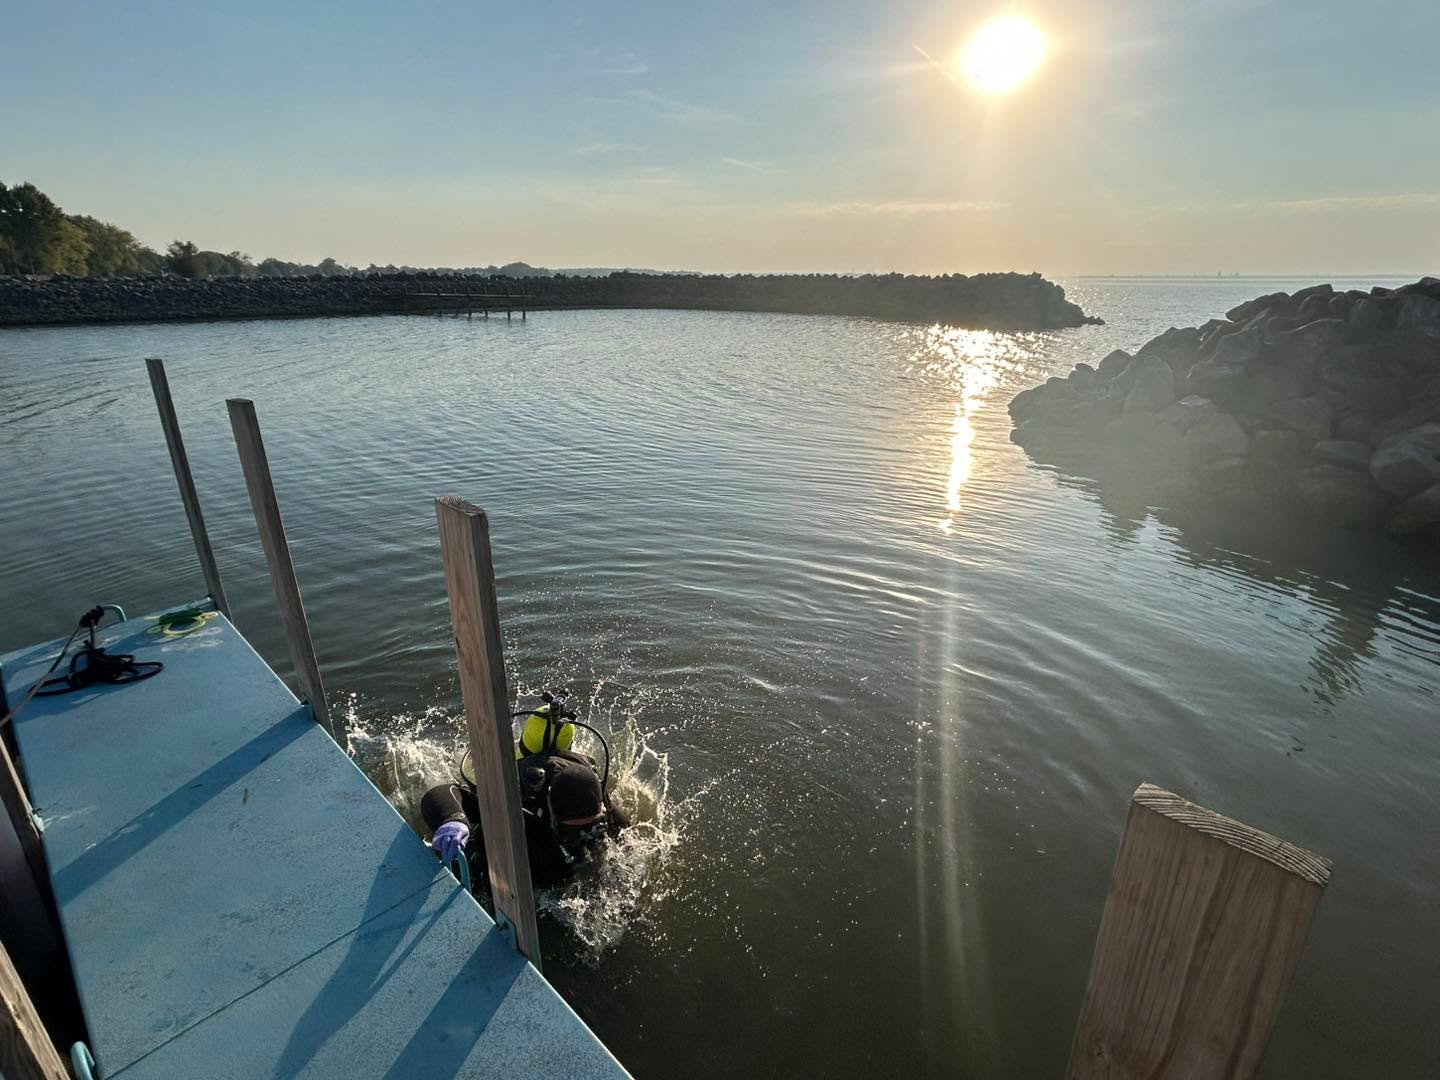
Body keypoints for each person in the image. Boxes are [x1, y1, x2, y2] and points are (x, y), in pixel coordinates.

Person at [422, 748, 627, 888]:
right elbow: (441, 793)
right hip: (529, 835)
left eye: (592, 828)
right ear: (552, 815)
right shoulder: (524, 804)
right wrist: (453, 820)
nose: (582, 840)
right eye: (570, 833)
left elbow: (627, 838)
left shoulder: (603, 808)